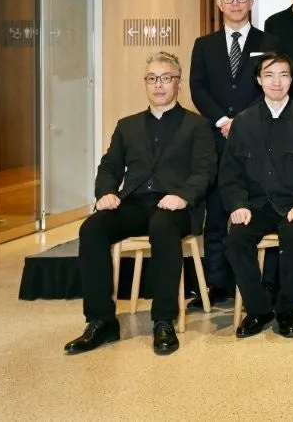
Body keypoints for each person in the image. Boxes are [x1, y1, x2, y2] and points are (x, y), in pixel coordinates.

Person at [65, 52, 216, 356]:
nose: (158, 85)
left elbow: (205, 170)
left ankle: (163, 320)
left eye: (166, 78)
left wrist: (183, 196)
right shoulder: (128, 125)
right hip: (134, 203)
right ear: (145, 83)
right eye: (152, 78)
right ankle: (101, 321)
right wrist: (106, 192)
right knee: (92, 229)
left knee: (162, 226)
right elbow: (109, 167)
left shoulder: (197, 125)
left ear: (178, 83)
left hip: (177, 207)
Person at [220, 52, 293, 339]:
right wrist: (237, 204)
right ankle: (258, 309)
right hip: (255, 207)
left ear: (291, 80)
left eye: (283, 75)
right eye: (269, 75)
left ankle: (286, 310)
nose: (276, 82)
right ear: (259, 80)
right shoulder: (243, 121)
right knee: (235, 241)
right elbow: (230, 172)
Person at [189, 0, 281, 305]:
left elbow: (274, 86)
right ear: (219, 4)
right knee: (216, 212)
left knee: (264, 207)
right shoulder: (204, 45)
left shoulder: (268, 42)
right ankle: (217, 284)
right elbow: (198, 88)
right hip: (215, 138)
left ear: (251, 2)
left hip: (258, 137)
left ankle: (267, 283)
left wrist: (241, 123)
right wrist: (222, 120)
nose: (235, 2)